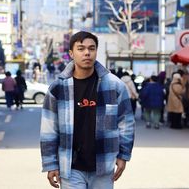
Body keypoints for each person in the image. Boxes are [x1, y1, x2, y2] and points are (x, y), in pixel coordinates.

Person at [40, 31, 135, 189]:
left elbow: (126, 122)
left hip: (103, 166)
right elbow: (49, 129)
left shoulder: (115, 86)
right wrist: (51, 164)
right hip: (70, 167)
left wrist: (123, 155)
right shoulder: (58, 88)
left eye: (91, 48)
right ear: (71, 53)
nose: (87, 53)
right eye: (81, 48)